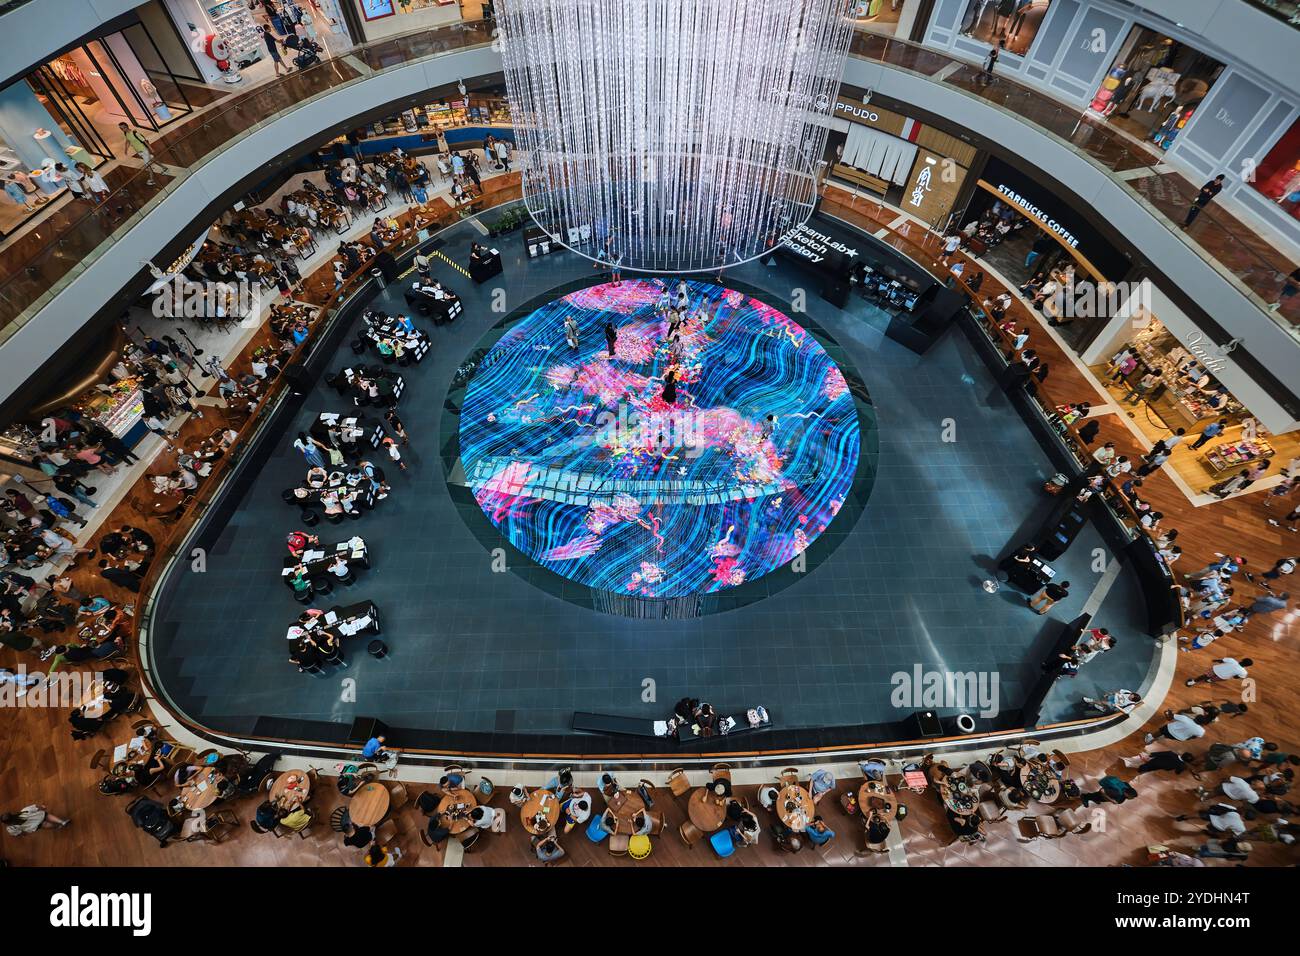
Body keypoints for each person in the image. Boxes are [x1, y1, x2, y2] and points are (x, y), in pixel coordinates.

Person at [118, 122, 164, 186]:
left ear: (127, 126)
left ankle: (151, 180)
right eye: (121, 128)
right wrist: (126, 149)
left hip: (144, 150)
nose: (123, 129)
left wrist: (151, 149)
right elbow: (128, 140)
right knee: (151, 160)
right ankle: (164, 168)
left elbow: (144, 141)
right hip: (139, 152)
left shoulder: (135, 133)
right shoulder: (126, 134)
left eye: (124, 127)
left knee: (147, 165)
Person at [3, 803, 70, 835]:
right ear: (12, 814)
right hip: (39, 816)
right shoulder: (24, 811)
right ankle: (61, 821)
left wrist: (25, 833)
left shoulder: (11, 828)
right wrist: (42, 807)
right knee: (48, 816)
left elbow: (19, 833)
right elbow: (35, 807)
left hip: (34, 826)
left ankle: (58, 826)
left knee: (46, 825)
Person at [1186, 656, 1252, 687]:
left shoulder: (1232, 660)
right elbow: (1236, 677)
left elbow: (1221, 660)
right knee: (1213, 679)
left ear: (1242, 660)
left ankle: (1192, 682)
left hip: (1215, 670)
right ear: (1247, 666)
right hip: (1223, 677)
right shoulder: (1244, 673)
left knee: (1204, 676)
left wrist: (1215, 660)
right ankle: (1208, 680)